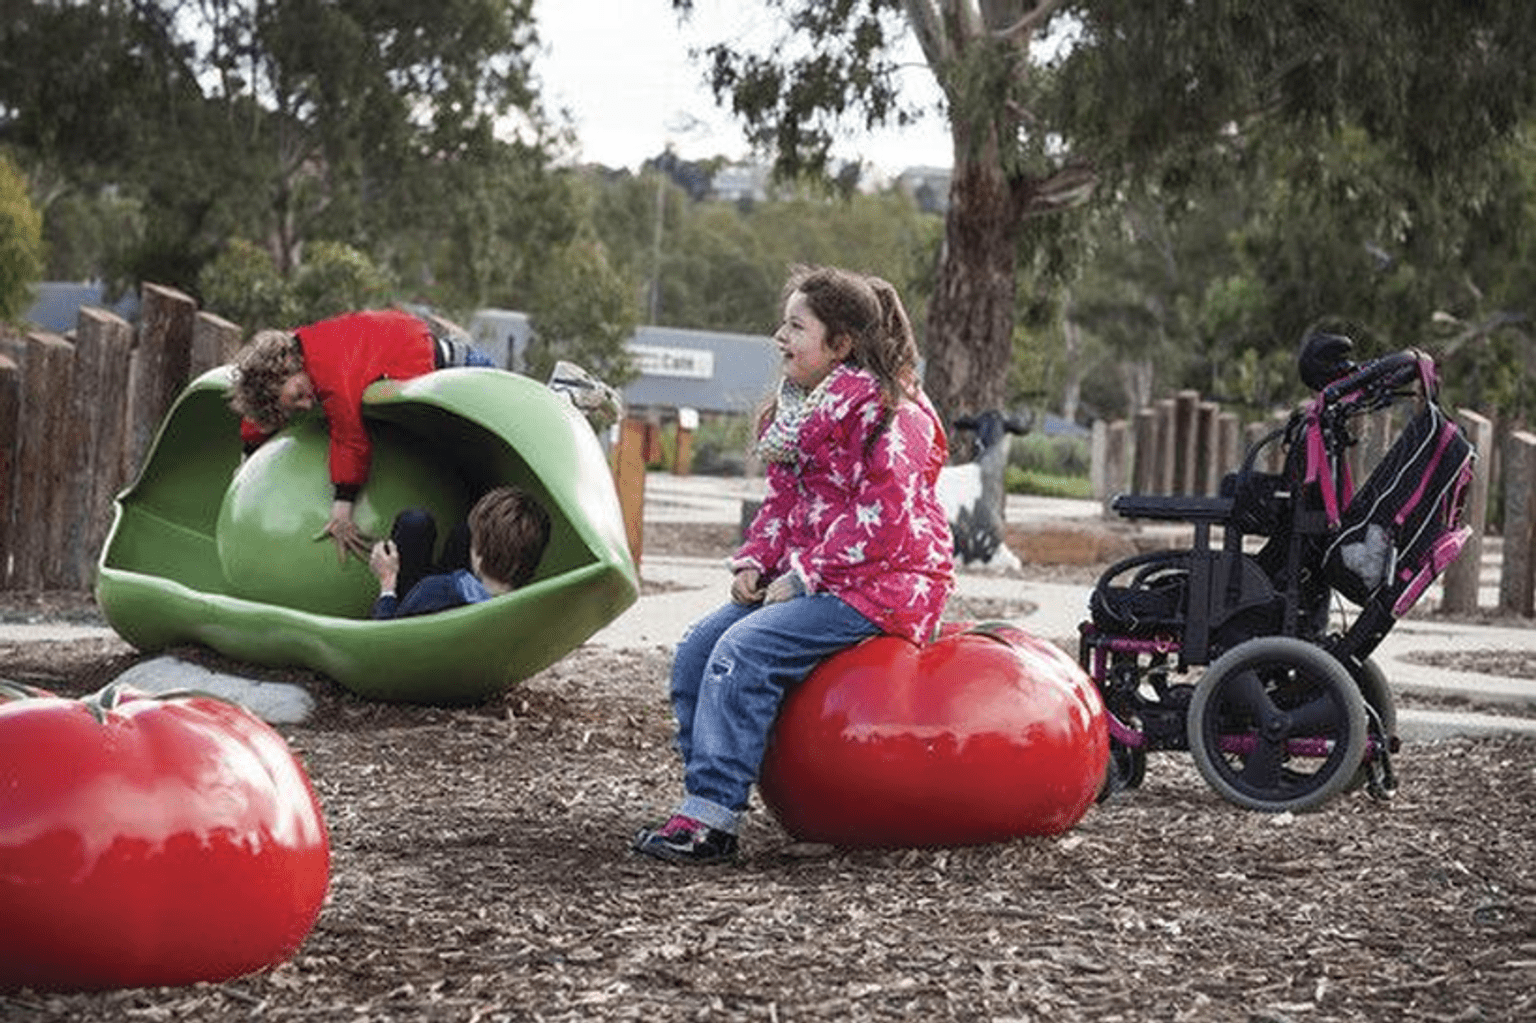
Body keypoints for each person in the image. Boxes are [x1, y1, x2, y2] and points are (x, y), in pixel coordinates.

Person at [631, 265, 955, 865]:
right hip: (815, 575)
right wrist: (758, 559)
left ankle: (712, 823)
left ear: (840, 345)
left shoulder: (890, 415)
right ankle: (705, 798)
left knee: (744, 651)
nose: (780, 338)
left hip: (885, 583)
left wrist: (804, 575)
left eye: (796, 327)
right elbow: (786, 502)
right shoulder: (796, 413)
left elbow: (885, 518)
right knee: (700, 649)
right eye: (784, 324)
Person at [227, 309, 495, 562]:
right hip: (417, 352)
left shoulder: (329, 370)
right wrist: (246, 458)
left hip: (455, 368)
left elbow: (350, 439)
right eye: (294, 406)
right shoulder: (294, 350)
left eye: (298, 395)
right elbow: (256, 409)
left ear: (288, 365)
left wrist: (342, 510)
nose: (306, 406)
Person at [366, 486, 551, 618]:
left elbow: (388, 639)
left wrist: (387, 582)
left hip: (436, 602)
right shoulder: (529, 610)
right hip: (466, 589)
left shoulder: (429, 590)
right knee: (462, 531)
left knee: (413, 524)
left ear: (478, 553)